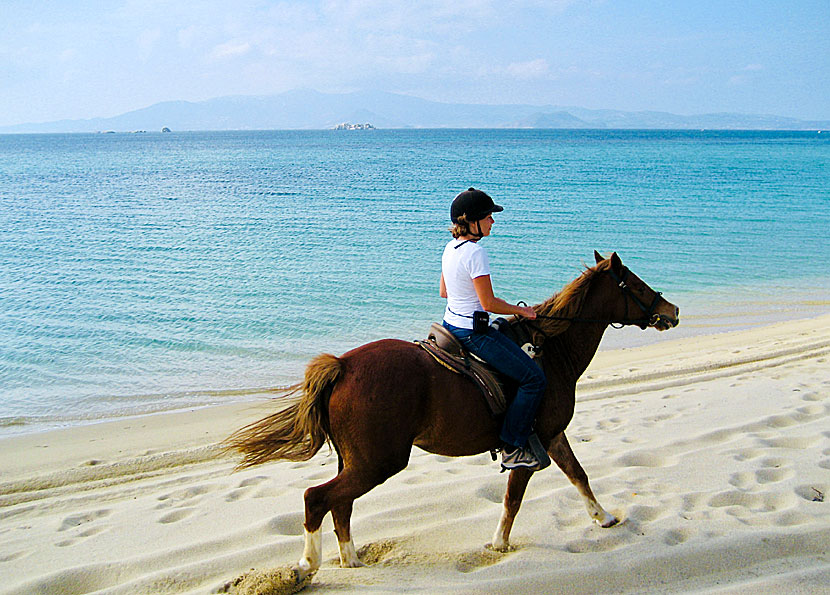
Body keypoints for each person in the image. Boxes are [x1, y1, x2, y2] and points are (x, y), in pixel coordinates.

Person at [439, 188, 547, 470]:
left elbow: (443, 292)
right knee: (534, 379)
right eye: (488, 217)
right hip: (472, 334)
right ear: (472, 221)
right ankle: (513, 446)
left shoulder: (450, 248)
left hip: (449, 324)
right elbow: (488, 303)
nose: (492, 222)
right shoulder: (476, 253)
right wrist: (521, 310)